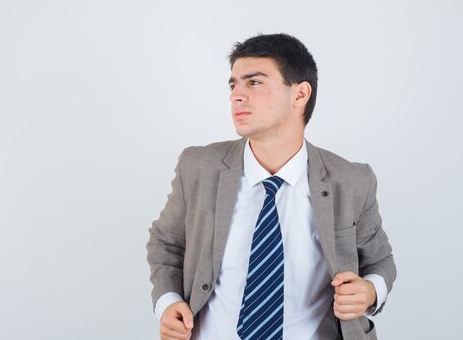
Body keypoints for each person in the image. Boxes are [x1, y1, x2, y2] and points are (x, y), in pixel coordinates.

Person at [147, 33, 396, 340]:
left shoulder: (352, 180)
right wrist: (168, 302)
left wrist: (371, 291)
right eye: (233, 84)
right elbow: (166, 243)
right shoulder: (198, 167)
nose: (236, 95)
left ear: (300, 94)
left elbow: (380, 260)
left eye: (254, 82)